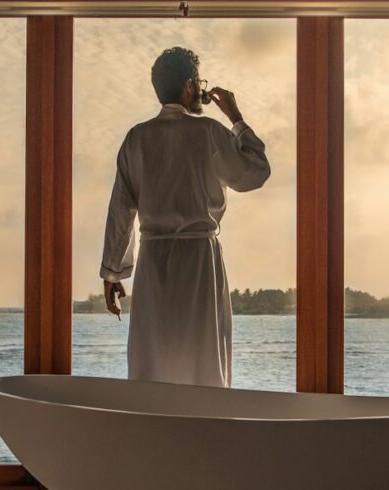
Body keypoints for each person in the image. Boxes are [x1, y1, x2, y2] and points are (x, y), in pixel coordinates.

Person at [99, 46, 270, 388]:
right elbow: (256, 172)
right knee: (203, 364)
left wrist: (112, 272)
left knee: (152, 367)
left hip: (153, 265)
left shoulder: (137, 138)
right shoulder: (208, 132)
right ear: (190, 86)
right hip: (199, 264)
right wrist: (236, 119)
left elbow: (121, 210)